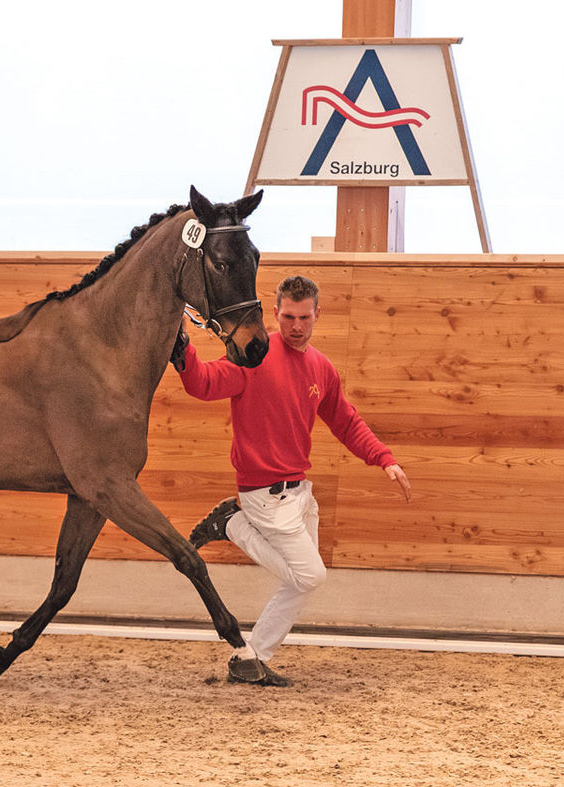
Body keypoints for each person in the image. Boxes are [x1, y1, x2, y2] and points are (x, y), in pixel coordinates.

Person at [172, 274, 411, 687]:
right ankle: (232, 525)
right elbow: (203, 383)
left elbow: (345, 420)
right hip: (264, 497)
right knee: (311, 576)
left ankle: (252, 658)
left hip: (300, 494)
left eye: (303, 317)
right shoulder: (254, 355)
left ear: (318, 314)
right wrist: (183, 348)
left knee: (298, 582)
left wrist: (383, 458)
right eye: (287, 317)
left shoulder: (321, 367)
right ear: (275, 313)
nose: (295, 326)